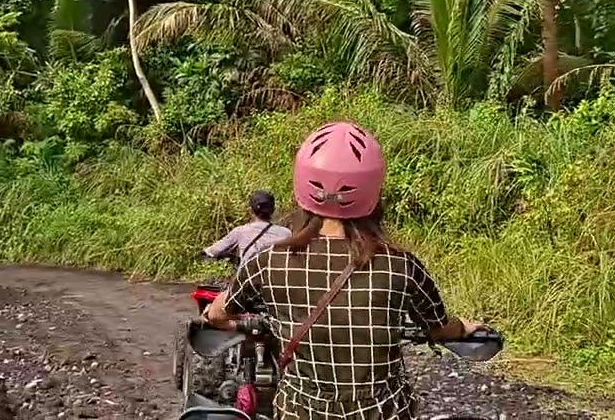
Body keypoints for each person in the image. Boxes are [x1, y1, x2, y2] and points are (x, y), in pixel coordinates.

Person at [202, 122, 481, 420]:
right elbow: (438, 328)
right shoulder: (401, 265)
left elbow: (219, 313)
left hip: (301, 411)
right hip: (380, 412)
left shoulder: (270, 262)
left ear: (302, 189)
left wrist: (214, 318)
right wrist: (463, 326)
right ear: (373, 192)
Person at [201, 189, 292, 271]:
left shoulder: (240, 232)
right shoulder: (286, 233)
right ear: (273, 210)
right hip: (276, 282)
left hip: (249, 283)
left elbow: (211, 252)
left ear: (250, 210)